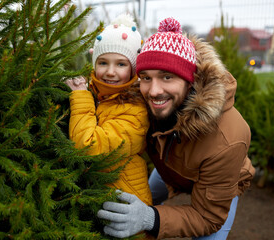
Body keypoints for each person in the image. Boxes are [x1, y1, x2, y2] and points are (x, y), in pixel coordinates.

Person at [97, 17, 255, 239]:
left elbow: (207, 217)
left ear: (190, 80)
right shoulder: (140, 102)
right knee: (142, 200)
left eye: (167, 77)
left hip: (218, 179)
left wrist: (149, 218)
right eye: (146, 78)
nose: (153, 91)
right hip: (169, 166)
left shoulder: (228, 139)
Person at [65, 14, 153, 237]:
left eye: (120, 64)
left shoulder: (135, 110)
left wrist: (80, 97)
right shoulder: (99, 95)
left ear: (133, 70)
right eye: (103, 62)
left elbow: (88, 145)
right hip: (102, 203)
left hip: (125, 211)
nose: (110, 71)